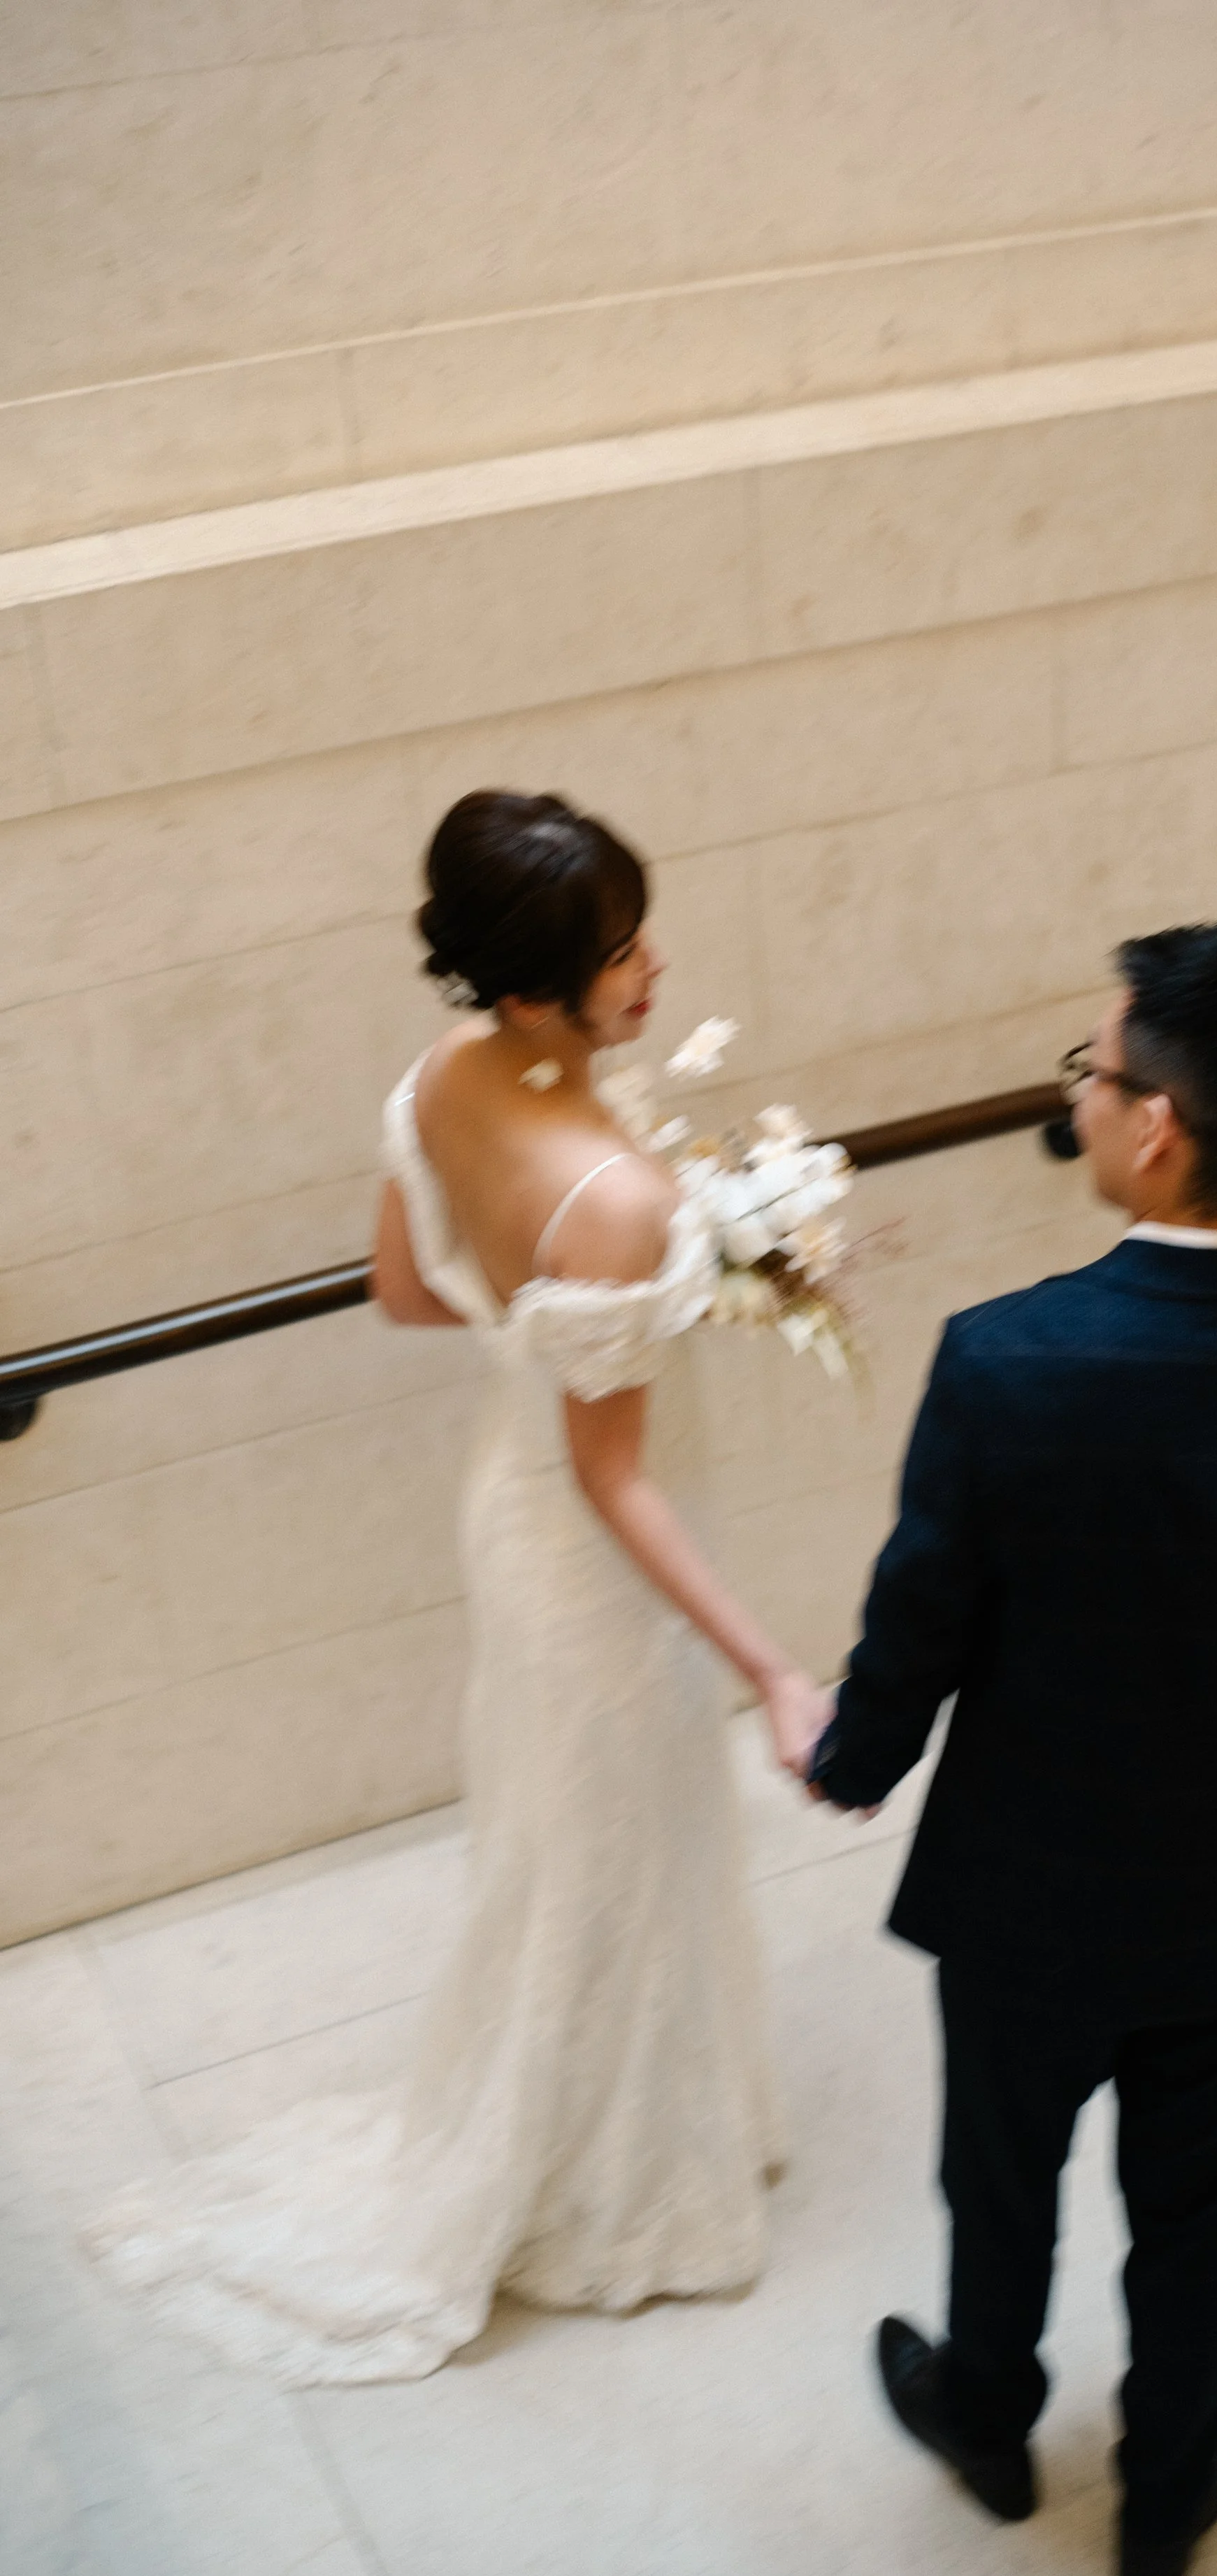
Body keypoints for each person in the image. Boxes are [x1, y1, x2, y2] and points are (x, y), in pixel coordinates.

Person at [86, 791, 829, 2385]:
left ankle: (587, 2123)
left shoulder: (441, 1082)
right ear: (529, 985)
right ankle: (602, 2188)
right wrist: (773, 1668)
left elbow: (407, 1289)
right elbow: (618, 1478)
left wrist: (561, 1329)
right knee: (611, 1859)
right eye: (623, 954)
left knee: (570, 1855)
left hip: (512, 1515)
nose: (653, 970)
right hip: (598, 1563)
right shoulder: (614, 1199)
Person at [794, 923, 1217, 2576]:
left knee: (995, 2180)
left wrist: (848, 1758)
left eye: (1090, 1070)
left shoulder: (1009, 1360)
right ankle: (1165, 2495)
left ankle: (988, 2417)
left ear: (1155, 1127)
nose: (1075, 1093)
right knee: (1191, 2207)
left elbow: (919, 1620)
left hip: (1025, 1895)